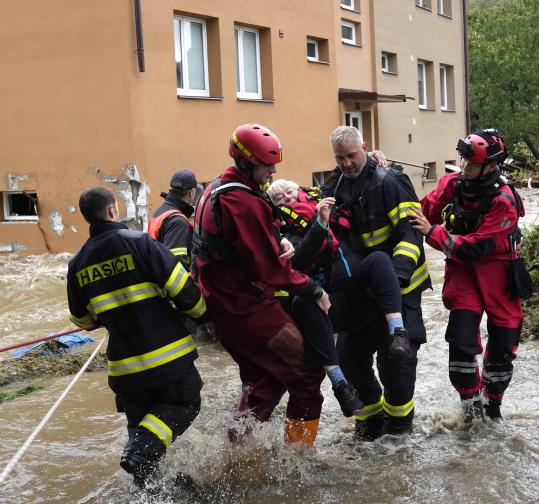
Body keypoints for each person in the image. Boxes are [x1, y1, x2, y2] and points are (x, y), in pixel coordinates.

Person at [192, 123, 337, 446]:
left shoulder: (218, 187)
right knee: (306, 373)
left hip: (223, 303)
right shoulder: (241, 201)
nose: (272, 170)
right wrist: (313, 289)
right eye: (266, 164)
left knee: (265, 378)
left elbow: (240, 245)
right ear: (245, 162)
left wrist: (278, 241)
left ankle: (238, 451)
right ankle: (298, 456)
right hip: (244, 306)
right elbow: (270, 270)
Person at [67, 187, 207, 487]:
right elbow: (182, 287)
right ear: (113, 210)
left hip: (125, 370)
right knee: (186, 405)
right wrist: (202, 314)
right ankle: (141, 453)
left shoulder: (77, 263)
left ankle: (148, 487)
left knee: (140, 425)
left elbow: (82, 319)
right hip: (168, 358)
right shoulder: (140, 243)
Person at [410, 129, 525, 422]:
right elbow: (425, 209)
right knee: (460, 342)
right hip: (463, 273)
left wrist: (433, 233)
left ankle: (493, 405)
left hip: (498, 272)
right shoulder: (455, 183)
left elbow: (477, 247)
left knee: (502, 348)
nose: (464, 167)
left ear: (491, 166)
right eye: (463, 161)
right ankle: (471, 409)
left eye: (471, 164)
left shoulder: (504, 201)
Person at [321, 126, 429, 439]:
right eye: (340, 158)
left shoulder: (391, 181)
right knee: (350, 360)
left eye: (352, 156)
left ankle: (399, 432)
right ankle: (369, 424)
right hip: (360, 294)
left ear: (365, 148)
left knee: (397, 363)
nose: (346, 163)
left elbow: (410, 236)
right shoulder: (334, 187)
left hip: (400, 289)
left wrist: (394, 279)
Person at [265, 179, 364, 416]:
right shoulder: (280, 232)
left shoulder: (322, 204)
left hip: (340, 295)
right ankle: (339, 383)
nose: (287, 200)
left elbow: (341, 178)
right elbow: (299, 259)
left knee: (310, 378)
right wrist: (320, 222)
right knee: (300, 378)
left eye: (289, 193)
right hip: (304, 304)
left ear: (300, 191)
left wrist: (373, 159)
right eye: (279, 199)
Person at [148, 170, 198, 268]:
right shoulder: (178, 222)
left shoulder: (161, 212)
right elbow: (175, 265)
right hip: (175, 282)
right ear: (191, 193)